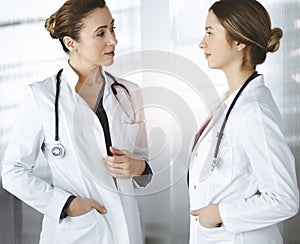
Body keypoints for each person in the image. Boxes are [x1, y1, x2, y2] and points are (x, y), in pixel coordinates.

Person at [1, 0, 152, 243]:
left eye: (113, 29)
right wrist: (67, 205)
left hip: (126, 229)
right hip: (77, 231)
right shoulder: (43, 96)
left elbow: (146, 163)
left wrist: (141, 168)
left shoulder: (129, 93)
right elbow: (12, 172)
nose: (113, 40)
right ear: (71, 43)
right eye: (101, 33)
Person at [188, 0, 299, 243]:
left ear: (238, 42)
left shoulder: (253, 113)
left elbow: (284, 199)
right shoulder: (232, 101)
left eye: (210, 33)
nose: (201, 43)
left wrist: (219, 213)